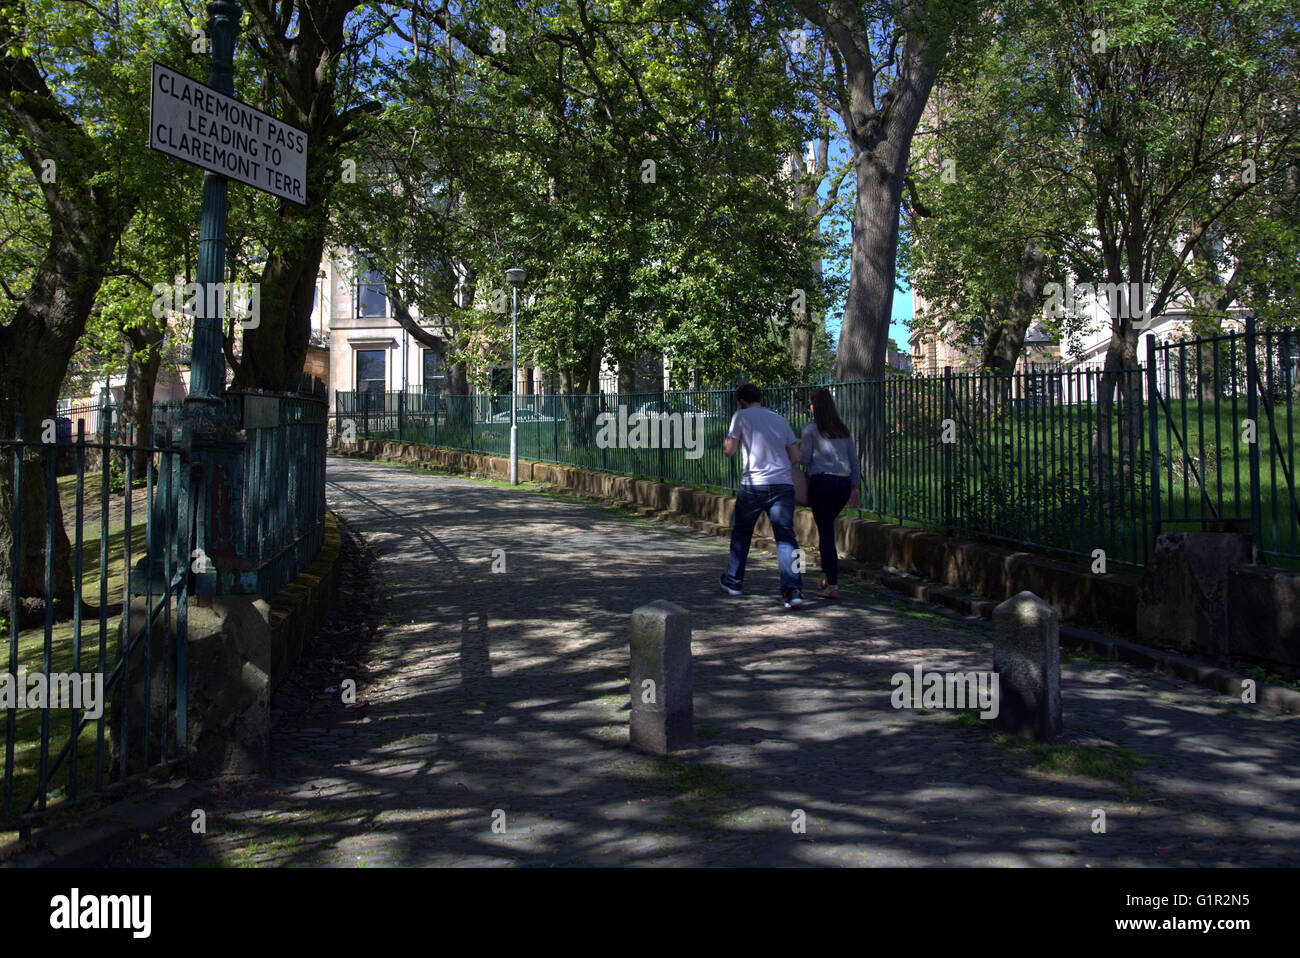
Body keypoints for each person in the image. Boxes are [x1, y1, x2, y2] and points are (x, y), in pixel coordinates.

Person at [720, 382, 805, 609]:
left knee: (742, 534)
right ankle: (794, 589)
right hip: (782, 485)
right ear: (760, 398)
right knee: (787, 538)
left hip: (753, 485)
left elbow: (729, 451)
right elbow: (795, 456)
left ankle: (734, 581)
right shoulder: (779, 419)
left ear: (741, 401)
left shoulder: (741, 417)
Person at [798, 388, 860, 600]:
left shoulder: (811, 429)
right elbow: (854, 460)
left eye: (811, 404)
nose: (810, 408)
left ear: (816, 406)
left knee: (826, 534)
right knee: (826, 529)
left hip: (822, 482)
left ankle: (832, 584)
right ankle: (827, 576)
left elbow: (805, 459)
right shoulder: (843, 429)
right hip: (843, 484)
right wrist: (855, 486)